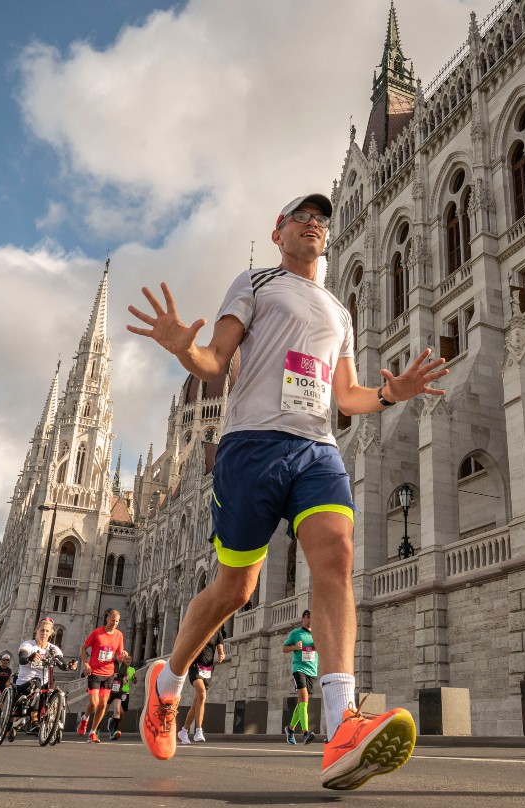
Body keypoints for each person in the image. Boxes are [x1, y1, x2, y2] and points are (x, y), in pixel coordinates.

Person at [127, 192, 447, 789]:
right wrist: (182, 348)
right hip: (251, 446)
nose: (313, 225)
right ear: (279, 232)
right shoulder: (255, 283)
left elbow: (345, 395)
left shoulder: (339, 311)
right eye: (301, 217)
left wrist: (390, 395)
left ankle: (340, 725)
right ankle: (167, 681)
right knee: (235, 587)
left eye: (321, 221)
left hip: (316, 447)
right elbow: (215, 360)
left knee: (337, 556)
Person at [12, 618, 77, 741]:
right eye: (42, 630)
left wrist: (69, 666)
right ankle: (34, 721)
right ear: (36, 630)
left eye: (47, 631)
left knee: (55, 689)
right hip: (25, 683)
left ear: (52, 632)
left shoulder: (53, 649)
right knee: (37, 681)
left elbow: (60, 663)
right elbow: (22, 658)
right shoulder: (28, 645)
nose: (44, 633)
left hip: (44, 684)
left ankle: (54, 721)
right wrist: (29, 658)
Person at [78, 608, 128, 743]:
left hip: (108, 674)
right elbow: (83, 648)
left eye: (117, 621)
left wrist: (122, 656)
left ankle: (93, 733)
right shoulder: (97, 633)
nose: (115, 623)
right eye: (113, 620)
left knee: (102, 705)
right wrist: (85, 664)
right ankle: (85, 719)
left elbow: (118, 655)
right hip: (94, 672)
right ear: (107, 619)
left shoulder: (119, 635)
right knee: (94, 703)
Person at [178, 628, 226, 745]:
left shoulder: (218, 633)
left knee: (196, 703)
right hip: (195, 666)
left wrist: (221, 656)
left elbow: (221, 652)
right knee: (202, 694)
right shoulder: (201, 628)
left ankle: (183, 731)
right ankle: (198, 730)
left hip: (208, 670)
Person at [283, 609, 317, 745]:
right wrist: (295, 647)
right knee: (304, 699)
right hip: (299, 669)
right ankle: (305, 732)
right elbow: (284, 648)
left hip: (312, 671)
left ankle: (290, 729)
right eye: (308, 616)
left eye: (312, 617)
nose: (310, 619)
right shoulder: (296, 633)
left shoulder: (317, 634)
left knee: (300, 703)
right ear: (303, 618)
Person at [106, 652, 136, 740]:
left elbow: (134, 680)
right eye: (126, 659)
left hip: (125, 693)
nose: (128, 660)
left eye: (129, 659)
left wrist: (133, 679)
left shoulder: (132, 669)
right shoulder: (118, 666)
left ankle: (112, 721)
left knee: (122, 714)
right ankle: (113, 730)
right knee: (119, 711)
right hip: (117, 691)